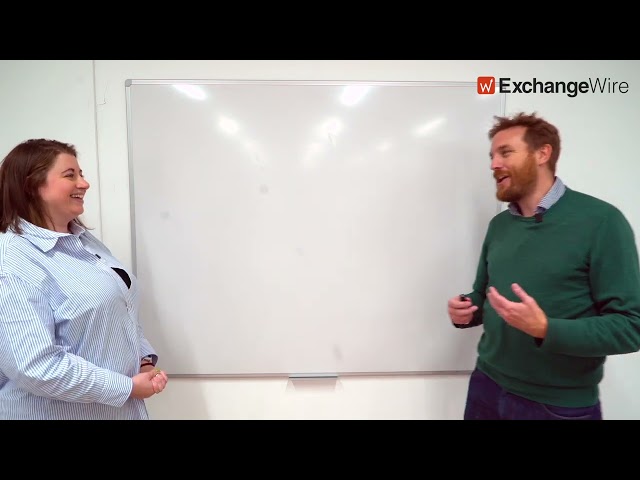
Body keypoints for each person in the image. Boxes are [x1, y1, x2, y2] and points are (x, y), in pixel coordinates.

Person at [448, 112, 640, 420]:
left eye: (505, 152)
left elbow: (630, 327)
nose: (494, 164)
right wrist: (467, 309)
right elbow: (483, 296)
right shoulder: (499, 225)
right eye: (492, 156)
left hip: (556, 405)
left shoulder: (602, 222)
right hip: (486, 385)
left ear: (542, 153)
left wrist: (546, 329)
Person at [0, 138, 168, 419]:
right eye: (70, 175)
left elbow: (121, 309)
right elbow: (35, 367)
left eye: (81, 173)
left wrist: (143, 360)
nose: (84, 183)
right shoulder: (12, 261)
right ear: (32, 186)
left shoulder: (85, 241)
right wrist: (126, 387)